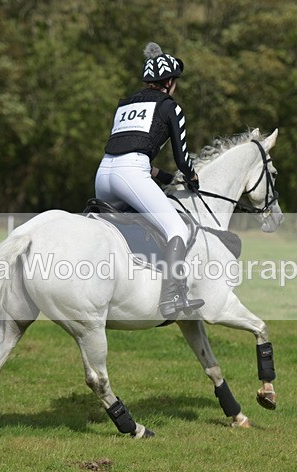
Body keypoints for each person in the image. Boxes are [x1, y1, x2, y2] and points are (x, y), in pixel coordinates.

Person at [95, 42, 203, 320]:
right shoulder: (169, 107)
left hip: (103, 174)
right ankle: (171, 298)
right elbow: (181, 157)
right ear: (168, 82)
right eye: (175, 81)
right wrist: (191, 176)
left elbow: (127, 148)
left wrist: (162, 176)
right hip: (131, 174)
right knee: (176, 227)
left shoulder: (126, 105)